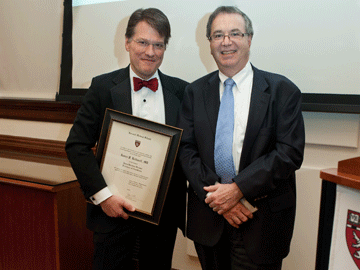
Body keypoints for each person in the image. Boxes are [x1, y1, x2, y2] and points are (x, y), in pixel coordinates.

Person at [178, 6, 305, 270]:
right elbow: (186, 151)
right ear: (210, 43)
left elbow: (289, 153)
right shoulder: (194, 92)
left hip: (261, 221)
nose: (226, 42)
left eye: (235, 33)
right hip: (209, 219)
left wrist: (238, 190)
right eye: (218, 35)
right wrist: (221, 200)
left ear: (249, 39)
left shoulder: (282, 90)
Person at [66, 8, 188, 270]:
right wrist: (104, 197)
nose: (150, 51)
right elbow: (77, 145)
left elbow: (188, 151)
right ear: (127, 42)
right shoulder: (102, 87)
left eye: (158, 44)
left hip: (162, 219)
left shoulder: (182, 91)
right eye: (143, 42)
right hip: (112, 213)